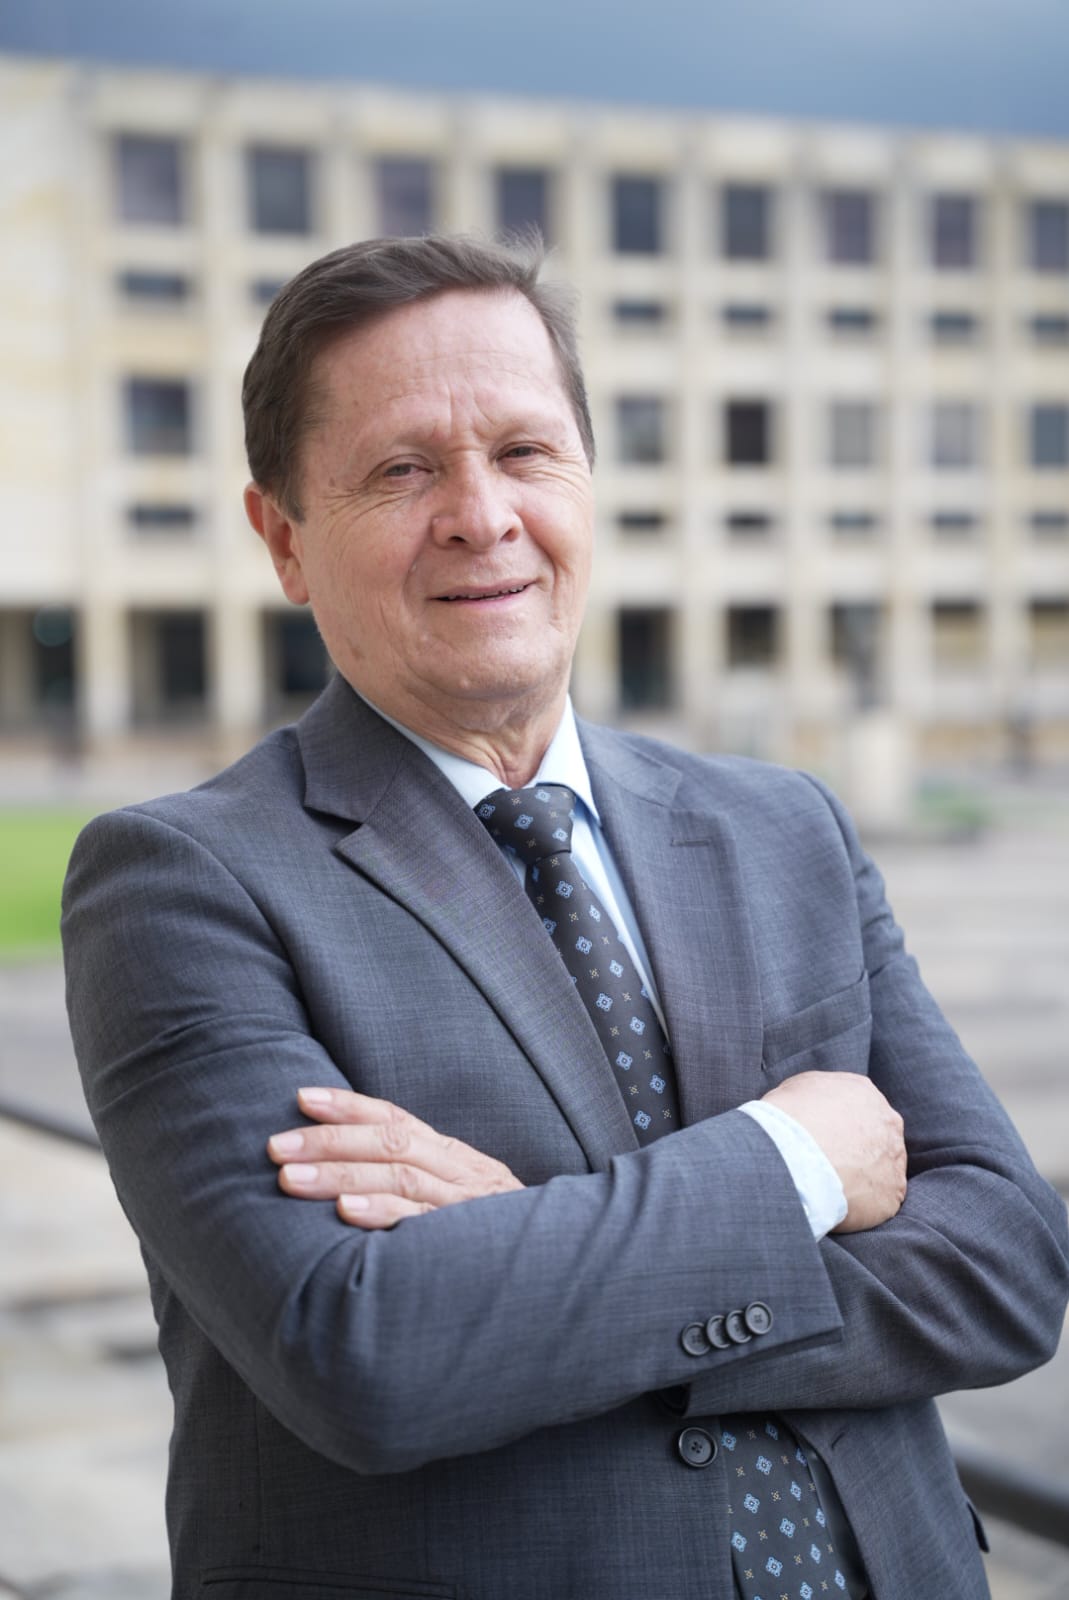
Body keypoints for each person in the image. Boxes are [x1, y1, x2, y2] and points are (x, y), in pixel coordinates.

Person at [63, 235, 1068, 1600]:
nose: (480, 515)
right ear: (284, 537)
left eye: (525, 452)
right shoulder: (181, 884)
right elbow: (365, 1353)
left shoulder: (787, 830)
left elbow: (1009, 1262)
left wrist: (545, 1246)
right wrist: (792, 1163)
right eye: (401, 470)